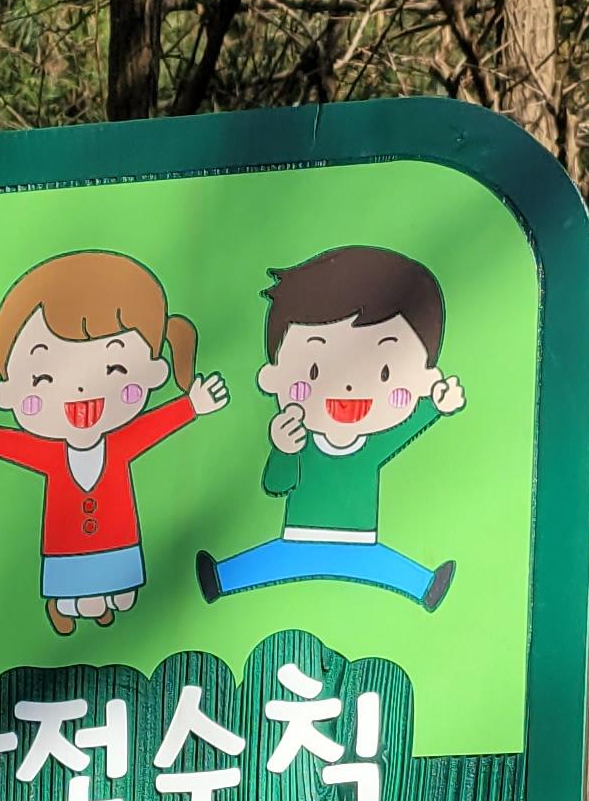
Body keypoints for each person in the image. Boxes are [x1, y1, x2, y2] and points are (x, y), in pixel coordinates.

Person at [0, 251, 226, 633]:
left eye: (115, 368)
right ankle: (62, 606)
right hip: (67, 550)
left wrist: (192, 405)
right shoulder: (50, 453)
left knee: (124, 597)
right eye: (44, 379)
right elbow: (17, 447)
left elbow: (154, 426)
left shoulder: (122, 443)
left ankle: (96, 606)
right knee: (80, 596)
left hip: (118, 543)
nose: (81, 390)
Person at [197, 243, 462, 610]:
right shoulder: (300, 439)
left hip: (358, 543)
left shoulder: (369, 449)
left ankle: (424, 586)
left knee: (382, 566)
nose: (349, 387)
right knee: (270, 561)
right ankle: (220, 578)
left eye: (385, 372)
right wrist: (283, 450)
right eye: (315, 370)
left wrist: (436, 406)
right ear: (273, 376)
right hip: (299, 539)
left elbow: (405, 431)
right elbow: (278, 483)